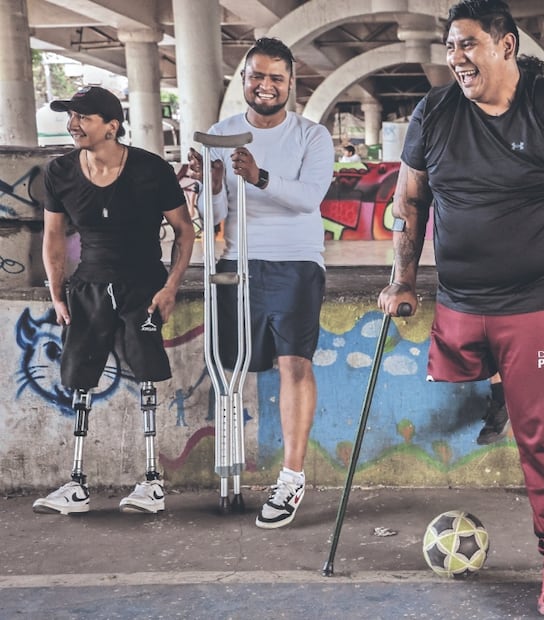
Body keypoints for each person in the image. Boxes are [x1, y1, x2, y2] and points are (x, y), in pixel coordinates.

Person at [377, 2, 544, 616]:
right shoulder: (434, 112)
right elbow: (410, 200)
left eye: (468, 45)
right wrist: (402, 280)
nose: (457, 58)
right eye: (450, 47)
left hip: (541, 303)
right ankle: (499, 390)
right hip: (461, 302)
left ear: (507, 46)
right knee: (463, 402)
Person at [187, 37, 335, 529]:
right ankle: (230, 476)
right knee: (232, 365)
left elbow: (310, 198)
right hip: (238, 261)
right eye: (257, 76)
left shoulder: (312, 136)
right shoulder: (221, 134)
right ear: (244, 80)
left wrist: (259, 175)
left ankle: (292, 476)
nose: (265, 85)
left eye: (276, 77)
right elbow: (215, 216)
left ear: (291, 83)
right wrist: (208, 189)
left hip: (294, 262)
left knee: (295, 363)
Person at [35, 86, 195, 515]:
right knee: (81, 378)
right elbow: (52, 237)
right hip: (88, 286)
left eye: (83, 117)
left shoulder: (150, 169)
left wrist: (170, 287)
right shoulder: (60, 172)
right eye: (71, 117)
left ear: (112, 125)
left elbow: (184, 231)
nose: (73, 125)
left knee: (145, 374)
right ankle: (76, 485)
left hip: (142, 286)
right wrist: (58, 294)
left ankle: (151, 483)